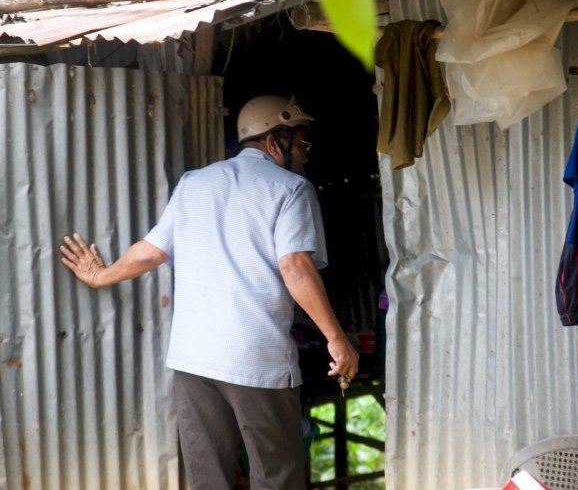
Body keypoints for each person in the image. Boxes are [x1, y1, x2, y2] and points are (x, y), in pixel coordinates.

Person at [60, 94, 359, 490]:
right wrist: (338, 340)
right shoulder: (291, 189)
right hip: (257, 360)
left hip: (193, 359)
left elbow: (151, 251)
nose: (305, 155)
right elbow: (295, 266)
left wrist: (101, 276)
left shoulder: (194, 183)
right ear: (274, 142)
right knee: (277, 476)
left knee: (209, 478)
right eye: (301, 143)